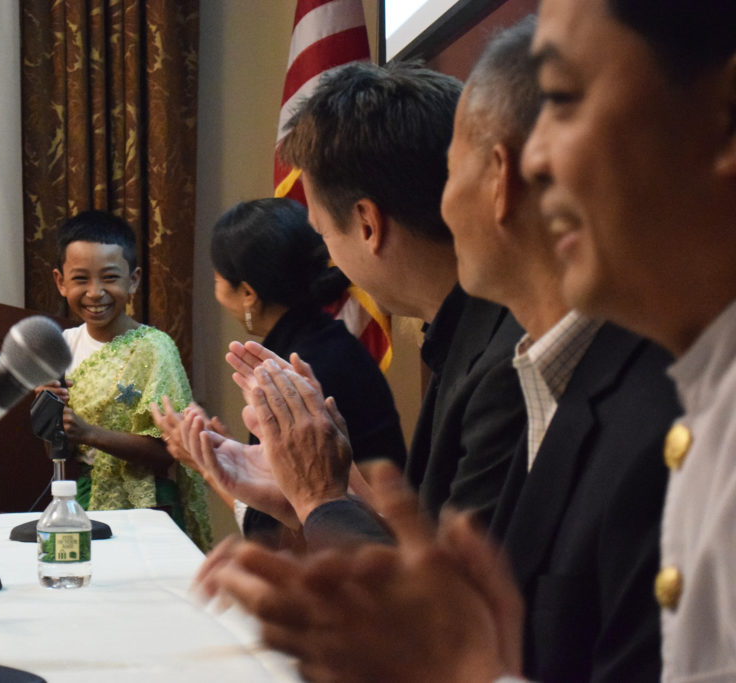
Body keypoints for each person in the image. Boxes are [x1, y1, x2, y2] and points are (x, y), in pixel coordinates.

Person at [203, 0, 736, 680]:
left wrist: (327, 504)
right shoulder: (557, 372)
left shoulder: (650, 394)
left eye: (565, 100)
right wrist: (316, 494)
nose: (532, 162)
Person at [180, 62, 528, 550]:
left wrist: (320, 498)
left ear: (366, 223)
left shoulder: (511, 363)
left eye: (324, 232)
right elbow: (426, 550)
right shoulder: (465, 332)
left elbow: (450, 607)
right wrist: (311, 496)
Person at [444, 18, 676, 681]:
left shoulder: (664, 404)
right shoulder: (552, 374)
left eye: (448, 166)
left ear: (500, 176)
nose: (443, 201)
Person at [155, 198, 406, 546]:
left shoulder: (289, 373)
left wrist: (207, 467)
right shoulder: (331, 342)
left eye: (217, 278)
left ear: (247, 293)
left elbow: (274, 531)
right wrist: (229, 452)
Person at [46, 210, 212, 551]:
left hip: (149, 505)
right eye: (80, 279)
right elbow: (56, 451)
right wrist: (48, 416)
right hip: (83, 497)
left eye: (109, 277)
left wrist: (89, 432)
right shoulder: (62, 347)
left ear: (133, 280)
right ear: (60, 282)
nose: (95, 293)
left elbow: (168, 452)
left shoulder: (154, 349)